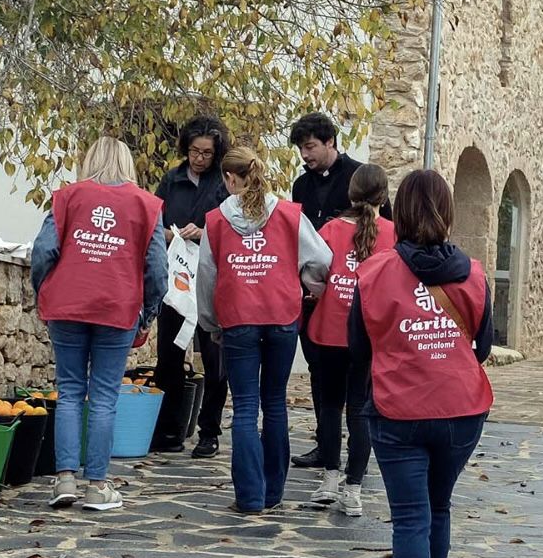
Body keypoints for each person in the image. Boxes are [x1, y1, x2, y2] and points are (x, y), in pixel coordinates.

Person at [351, 169, 494, 558]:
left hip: (398, 409)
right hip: (461, 408)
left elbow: (357, 345)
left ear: (402, 212)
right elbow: (485, 344)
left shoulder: (374, 272)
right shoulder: (474, 273)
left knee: (410, 517)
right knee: (438, 509)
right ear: (448, 212)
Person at [32, 137, 167, 512]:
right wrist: (149, 313)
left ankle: (63, 480)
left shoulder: (66, 197)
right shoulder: (147, 204)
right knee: (105, 396)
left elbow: (44, 251)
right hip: (117, 306)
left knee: (70, 390)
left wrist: (42, 291)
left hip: (67, 304)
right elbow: (157, 268)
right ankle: (97, 485)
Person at [197, 146, 331, 514]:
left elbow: (207, 276)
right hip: (281, 315)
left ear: (229, 178)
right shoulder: (289, 214)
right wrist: (307, 285)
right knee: (274, 403)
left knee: (243, 407)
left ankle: (250, 496)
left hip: (237, 317)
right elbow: (321, 259)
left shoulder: (216, 220)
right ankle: (274, 491)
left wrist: (210, 322)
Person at [287, 112, 391, 470]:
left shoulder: (360, 177)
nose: (306, 154)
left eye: (311, 146)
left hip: (352, 300)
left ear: (330, 142)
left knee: (357, 391)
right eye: (302, 148)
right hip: (315, 299)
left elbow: (382, 237)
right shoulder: (301, 186)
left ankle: (353, 456)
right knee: (321, 377)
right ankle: (326, 446)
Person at [305, 164, 396, 516]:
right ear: (384, 197)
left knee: (330, 405)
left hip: (330, 328)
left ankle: (329, 479)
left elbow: (313, 271)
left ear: (351, 194)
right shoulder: (392, 233)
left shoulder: (330, 229)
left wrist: (320, 291)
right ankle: (353, 488)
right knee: (361, 409)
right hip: (371, 332)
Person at [153, 115, 231, 457]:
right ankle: (168, 430)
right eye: (195, 151)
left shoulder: (223, 182)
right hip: (177, 280)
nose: (199, 159)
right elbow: (153, 223)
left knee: (213, 358)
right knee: (169, 355)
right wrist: (170, 234)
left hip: (214, 280)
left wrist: (206, 233)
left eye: (207, 153)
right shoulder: (171, 180)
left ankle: (209, 431)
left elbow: (234, 225)